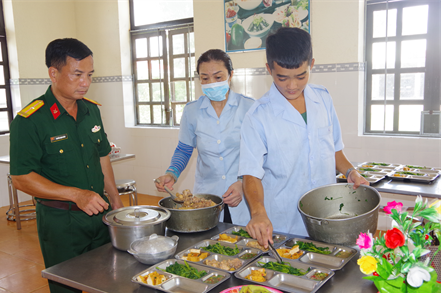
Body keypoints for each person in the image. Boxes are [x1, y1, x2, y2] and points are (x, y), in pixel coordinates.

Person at [9, 38, 123, 293]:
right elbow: (21, 178)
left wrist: (115, 198)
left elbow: (102, 156)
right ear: (54, 73)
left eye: (90, 75)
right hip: (61, 223)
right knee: (66, 291)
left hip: (100, 216)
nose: (85, 82)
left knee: (108, 286)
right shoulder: (30, 121)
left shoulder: (91, 111)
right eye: (77, 74)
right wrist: (76, 194)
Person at [239, 27, 369, 248]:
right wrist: (258, 212)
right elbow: (251, 174)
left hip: (327, 216)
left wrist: (351, 171)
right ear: (269, 69)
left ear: (312, 64)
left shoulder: (323, 99)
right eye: (282, 78)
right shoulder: (258, 116)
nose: (292, 86)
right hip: (284, 223)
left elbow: (334, 149)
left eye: (301, 76)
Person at [154, 49, 255, 225]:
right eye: (205, 78)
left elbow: (257, 154)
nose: (211, 83)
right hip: (207, 195)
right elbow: (184, 148)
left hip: (242, 194)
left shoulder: (248, 108)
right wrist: (172, 173)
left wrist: (243, 182)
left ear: (230, 75)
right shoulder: (192, 111)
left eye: (218, 77)